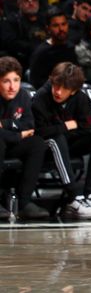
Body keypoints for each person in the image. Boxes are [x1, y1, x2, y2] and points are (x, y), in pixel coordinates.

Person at [31, 62, 91, 219]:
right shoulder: (41, 97)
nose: (58, 91)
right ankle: (73, 199)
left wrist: (60, 127)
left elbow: (86, 128)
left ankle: (89, 196)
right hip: (45, 148)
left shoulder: (82, 99)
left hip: (69, 142)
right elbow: (40, 131)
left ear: (74, 91)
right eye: (56, 86)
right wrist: (68, 126)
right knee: (57, 139)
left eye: (64, 89)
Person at [0, 56, 50, 220]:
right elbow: (22, 129)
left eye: (16, 80)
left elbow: (29, 125)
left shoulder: (24, 96)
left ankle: (24, 202)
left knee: (37, 143)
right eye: (6, 81)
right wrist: (18, 133)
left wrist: (6, 125)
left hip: (11, 143)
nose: (12, 86)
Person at [28, 8, 79, 89]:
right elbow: (36, 82)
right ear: (48, 28)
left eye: (63, 24)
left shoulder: (71, 48)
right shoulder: (41, 53)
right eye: (56, 25)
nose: (61, 29)